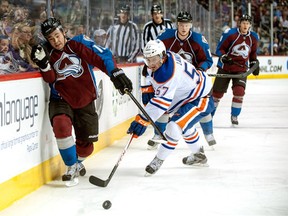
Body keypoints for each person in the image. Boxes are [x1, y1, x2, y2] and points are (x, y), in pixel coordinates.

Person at [30, 17, 133, 185]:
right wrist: (43, 64)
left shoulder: (79, 43)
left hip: (84, 99)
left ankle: (77, 162)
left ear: (63, 32)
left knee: (87, 147)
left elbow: (101, 56)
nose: (56, 41)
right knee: (61, 125)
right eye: (51, 38)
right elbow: (50, 78)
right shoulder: (46, 52)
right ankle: (71, 167)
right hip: (61, 98)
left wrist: (114, 73)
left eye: (57, 35)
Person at [127, 39, 214, 175]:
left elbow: (162, 103)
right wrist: (147, 88)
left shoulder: (168, 74)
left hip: (201, 97)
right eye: (148, 59)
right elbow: (147, 73)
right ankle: (199, 155)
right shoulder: (165, 58)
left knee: (174, 127)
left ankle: (158, 160)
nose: (151, 64)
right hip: (187, 95)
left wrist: (143, 120)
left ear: (162, 56)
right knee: (186, 126)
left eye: (154, 59)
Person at [142, 11, 216, 149]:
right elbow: (152, 53)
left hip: (190, 81)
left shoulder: (198, 40)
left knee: (199, 104)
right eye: (181, 24)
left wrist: (200, 69)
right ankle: (158, 134)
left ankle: (208, 133)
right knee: (164, 104)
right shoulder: (165, 37)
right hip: (169, 78)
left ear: (191, 25)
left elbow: (207, 60)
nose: (183, 28)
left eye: (186, 25)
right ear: (177, 24)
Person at [212, 14, 259, 125]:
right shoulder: (230, 34)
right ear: (239, 24)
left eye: (247, 23)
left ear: (250, 25)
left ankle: (234, 116)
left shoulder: (253, 37)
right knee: (216, 94)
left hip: (241, 69)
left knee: (239, 92)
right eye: (243, 23)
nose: (245, 25)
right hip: (225, 67)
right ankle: (209, 115)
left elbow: (252, 54)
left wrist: (254, 64)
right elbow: (220, 49)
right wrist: (224, 57)